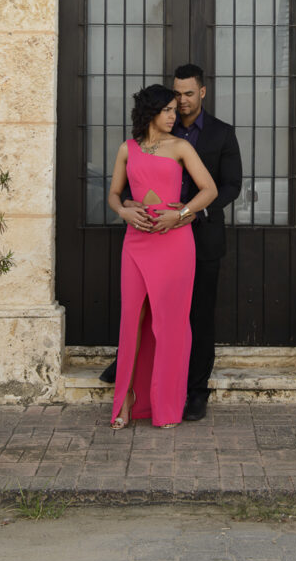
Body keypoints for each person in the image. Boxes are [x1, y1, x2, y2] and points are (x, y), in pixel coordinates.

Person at [102, 65, 242, 423]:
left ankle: (187, 395)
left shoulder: (213, 136)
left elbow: (224, 187)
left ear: (202, 92)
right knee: (137, 317)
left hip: (192, 236)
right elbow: (118, 192)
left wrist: (185, 215)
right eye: (173, 99)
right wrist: (126, 209)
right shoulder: (135, 145)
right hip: (142, 238)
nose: (179, 104)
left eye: (187, 95)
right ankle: (132, 392)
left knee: (189, 319)